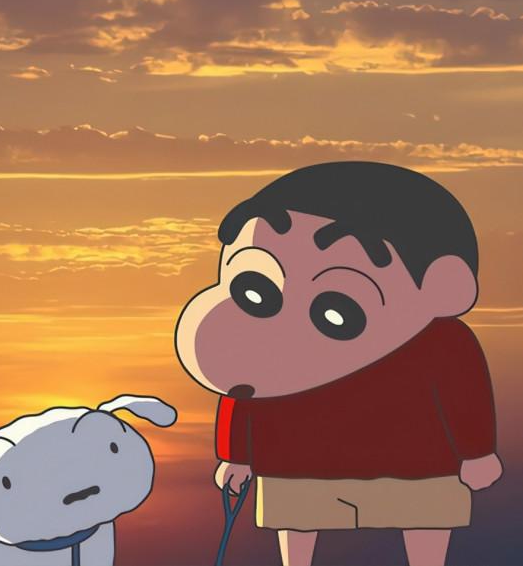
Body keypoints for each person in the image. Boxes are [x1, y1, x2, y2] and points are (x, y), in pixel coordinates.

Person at [175, 160, 502, 566]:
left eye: (336, 309)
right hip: (298, 465)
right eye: (253, 290)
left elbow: (464, 397)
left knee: (425, 526)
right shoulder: (263, 355)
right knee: (298, 528)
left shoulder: (443, 343)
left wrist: (477, 453)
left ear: (441, 287)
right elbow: (242, 385)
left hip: (416, 467)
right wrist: (236, 455)